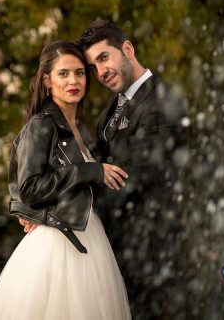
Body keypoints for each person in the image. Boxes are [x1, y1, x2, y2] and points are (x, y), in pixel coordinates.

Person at [0, 41, 131, 320]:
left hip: (88, 235)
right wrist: (89, 171)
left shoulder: (81, 129)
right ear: (47, 81)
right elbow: (29, 188)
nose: (73, 80)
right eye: (63, 73)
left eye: (79, 73)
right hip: (55, 245)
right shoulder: (42, 125)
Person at [76, 20, 189, 319]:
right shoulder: (110, 112)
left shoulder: (161, 102)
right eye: (93, 67)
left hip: (151, 250)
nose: (100, 72)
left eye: (104, 58)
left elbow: (131, 179)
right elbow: (96, 164)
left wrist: (69, 204)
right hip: (118, 249)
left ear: (127, 49)